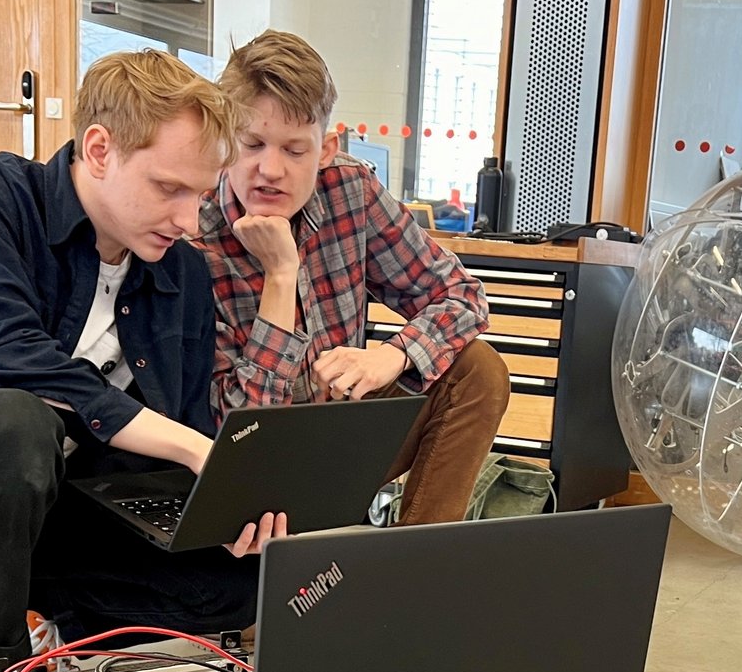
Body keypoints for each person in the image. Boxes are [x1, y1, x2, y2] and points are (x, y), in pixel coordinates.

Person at [0, 52, 284, 672]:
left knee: (248, 577)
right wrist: (189, 446)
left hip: (65, 510)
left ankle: (54, 620)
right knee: (13, 419)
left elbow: (178, 423)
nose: (188, 220)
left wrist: (228, 513)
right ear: (99, 149)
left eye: (202, 195)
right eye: (168, 187)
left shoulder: (180, 271)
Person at [197, 30, 509, 525]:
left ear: (326, 149)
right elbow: (235, 427)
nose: (269, 169)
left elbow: (462, 296)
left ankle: (415, 567)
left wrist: (393, 354)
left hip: (340, 435)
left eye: (295, 150)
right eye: (251, 143)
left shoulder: (350, 190)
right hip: (247, 465)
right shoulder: (194, 232)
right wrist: (281, 273)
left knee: (478, 370)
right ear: (223, 140)